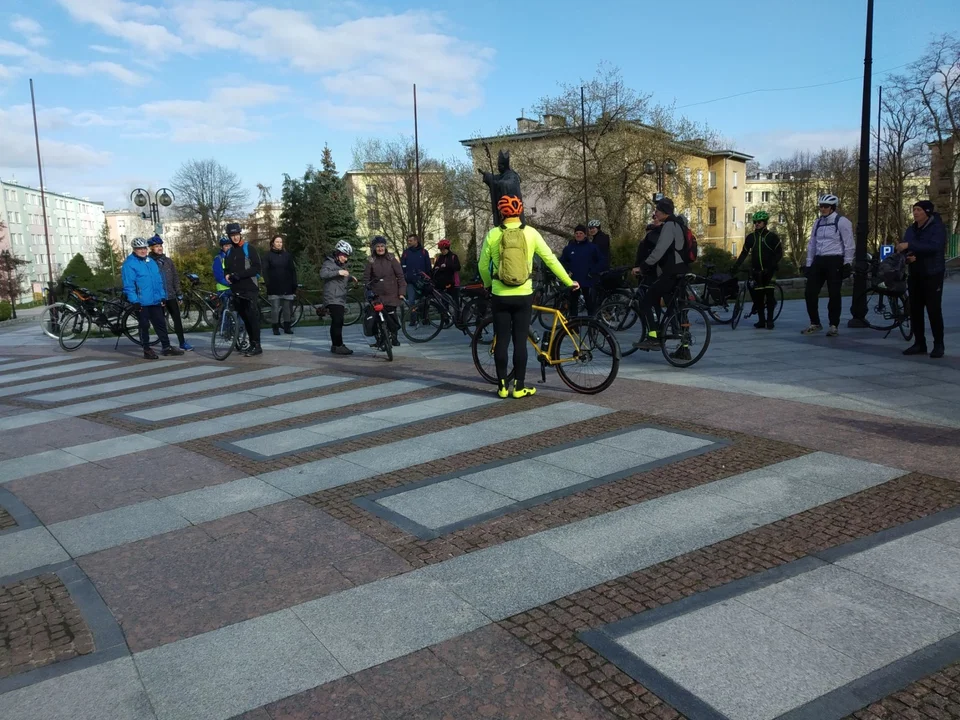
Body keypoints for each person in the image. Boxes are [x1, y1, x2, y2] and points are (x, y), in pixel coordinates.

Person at [479, 195, 579, 399]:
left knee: (502, 341)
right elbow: (550, 259)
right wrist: (569, 282)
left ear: (501, 213)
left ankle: (501, 387)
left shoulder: (493, 234)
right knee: (520, 342)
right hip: (524, 294)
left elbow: (482, 265)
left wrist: (489, 284)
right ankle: (519, 387)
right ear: (520, 211)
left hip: (500, 294)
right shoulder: (531, 234)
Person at [632, 197, 690, 351]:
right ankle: (684, 349)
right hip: (680, 272)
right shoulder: (679, 225)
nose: (655, 213)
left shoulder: (670, 225)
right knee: (675, 309)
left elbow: (659, 251)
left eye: (657, 210)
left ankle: (653, 338)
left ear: (664, 212)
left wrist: (642, 267)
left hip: (670, 273)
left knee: (645, 302)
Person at [897, 200, 946, 358]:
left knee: (933, 310)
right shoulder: (912, 229)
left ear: (927, 212)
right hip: (915, 273)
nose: (915, 212)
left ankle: (938, 344)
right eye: (914, 209)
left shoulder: (937, 227)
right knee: (915, 310)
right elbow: (908, 247)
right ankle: (919, 343)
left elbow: (934, 246)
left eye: (919, 210)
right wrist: (908, 255)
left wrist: (910, 246)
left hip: (932, 273)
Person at [121, 238, 183, 360]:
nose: (143, 251)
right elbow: (129, 285)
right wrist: (134, 301)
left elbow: (158, 281)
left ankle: (166, 347)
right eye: (140, 249)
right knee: (144, 326)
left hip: (155, 300)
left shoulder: (150, 261)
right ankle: (147, 349)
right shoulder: (129, 264)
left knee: (160, 324)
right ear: (134, 250)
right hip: (141, 301)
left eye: (144, 248)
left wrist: (162, 296)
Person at [802, 194, 853, 337]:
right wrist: (808, 263)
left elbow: (849, 243)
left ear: (833, 207)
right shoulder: (817, 222)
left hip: (834, 259)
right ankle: (815, 322)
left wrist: (848, 262)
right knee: (809, 292)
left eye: (826, 206)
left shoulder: (842, 222)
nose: (822, 209)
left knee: (834, 294)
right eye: (821, 206)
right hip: (819, 259)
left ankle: (833, 325)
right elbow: (812, 243)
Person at [732, 211, 783, 330]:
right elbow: (744, 253)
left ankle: (769, 321)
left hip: (769, 270)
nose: (756, 224)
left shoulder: (772, 237)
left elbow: (779, 253)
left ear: (765, 223)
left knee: (769, 295)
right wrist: (736, 266)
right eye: (755, 222)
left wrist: (771, 266)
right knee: (759, 297)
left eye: (759, 222)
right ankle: (761, 320)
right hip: (756, 271)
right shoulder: (751, 237)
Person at [222, 222, 263, 357]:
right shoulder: (229, 252)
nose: (235, 238)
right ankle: (252, 344)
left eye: (237, 235)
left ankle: (257, 345)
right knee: (245, 318)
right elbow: (226, 269)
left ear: (240, 234)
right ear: (229, 236)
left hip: (250, 288)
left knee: (252, 317)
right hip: (236, 289)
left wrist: (239, 275)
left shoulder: (248, 248)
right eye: (232, 235)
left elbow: (257, 268)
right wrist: (227, 275)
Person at [147, 235, 193, 350]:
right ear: (151, 248)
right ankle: (165, 345)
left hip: (171, 295)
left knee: (177, 319)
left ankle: (182, 342)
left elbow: (175, 277)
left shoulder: (168, 261)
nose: (160, 248)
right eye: (157, 246)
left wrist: (179, 293)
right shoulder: (149, 262)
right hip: (158, 297)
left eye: (160, 246)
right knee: (160, 322)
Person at [363, 236, 406, 348]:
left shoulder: (391, 258)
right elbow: (366, 279)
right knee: (377, 318)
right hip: (377, 294)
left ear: (385, 247)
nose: (380, 248)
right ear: (374, 248)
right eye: (378, 246)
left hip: (392, 293)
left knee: (392, 316)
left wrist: (401, 292)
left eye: (382, 246)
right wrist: (368, 292)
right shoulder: (371, 260)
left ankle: (394, 337)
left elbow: (400, 276)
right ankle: (380, 340)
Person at [320, 240, 357, 355]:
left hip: (340, 297)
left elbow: (342, 277)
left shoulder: (340, 265)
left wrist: (350, 277)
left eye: (347, 256)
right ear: (338, 253)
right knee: (337, 321)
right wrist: (339, 272)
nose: (345, 259)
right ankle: (338, 345)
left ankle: (335, 345)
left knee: (338, 322)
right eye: (344, 256)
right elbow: (323, 274)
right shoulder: (329, 263)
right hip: (332, 297)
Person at [560, 224, 602, 315]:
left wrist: (593, 272)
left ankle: (592, 326)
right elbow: (562, 261)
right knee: (573, 305)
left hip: (588, 280)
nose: (578, 235)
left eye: (581, 233)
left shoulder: (592, 247)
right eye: (577, 233)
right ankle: (573, 327)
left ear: (585, 235)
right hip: (574, 280)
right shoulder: (569, 248)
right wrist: (567, 271)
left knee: (590, 304)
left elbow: (600, 261)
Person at [261, 234, 298, 335]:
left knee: (287, 308)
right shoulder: (267, 256)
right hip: (274, 286)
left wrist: (294, 283)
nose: (279, 244)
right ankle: (275, 328)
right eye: (277, 242)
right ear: (273, 243)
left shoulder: (287, 255)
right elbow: (265, 270)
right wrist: (268, 283)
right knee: (275, 308)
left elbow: (292, 270)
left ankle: (287, 327)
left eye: (281, 242)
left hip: (287, 285)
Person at [400, 233, 431, 321]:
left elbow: (428, 267)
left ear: (416, 241)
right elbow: (402, 266)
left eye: (411, 240)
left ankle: (424, 318)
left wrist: (428, 278)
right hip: (410, 281)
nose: (409, 242)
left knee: (424, 301)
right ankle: (413, 319)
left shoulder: (424, 252)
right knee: (411, 301)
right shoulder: (406, 253)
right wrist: (404, 276)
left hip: (422, 281)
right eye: (408, 241)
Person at [432, 238, 461, 304]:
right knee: (444, 302)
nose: (442, 251)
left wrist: (447, 266)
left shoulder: (453, 256)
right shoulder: (439, 257)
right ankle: (445, 314)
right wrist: (436, 268)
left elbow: (458, 267)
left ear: (447, 248)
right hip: (443, 283)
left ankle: (457, 314)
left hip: (453, 283)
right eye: (441, 250)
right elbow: (435, 268)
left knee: (455, 302)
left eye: (443, 249)